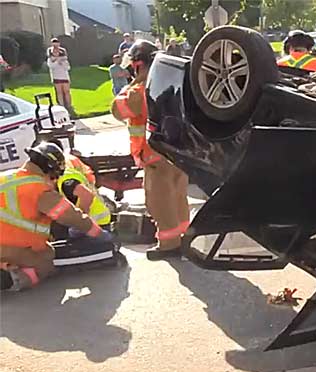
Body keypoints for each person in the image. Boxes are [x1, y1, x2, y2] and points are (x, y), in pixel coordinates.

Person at [111, 40, 190, 260]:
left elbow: (117, 110)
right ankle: (184, 237)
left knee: (159, 202)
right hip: (178, 153)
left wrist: (134, 82)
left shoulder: (138, 90)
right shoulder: (173, 83)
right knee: (178, 197)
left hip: (155, 156)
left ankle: (168, 245)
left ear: (138, 65)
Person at [0, 142, 113, 291]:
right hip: (8, 246)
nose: (54, 182)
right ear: (50, 171)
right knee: (46, 261)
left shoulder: (6, 177)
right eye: (54, 177)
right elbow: (72, 216)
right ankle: (8, 280)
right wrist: (97, 233)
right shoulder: (38, 189)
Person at [46, 38, 73, 114]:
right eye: (54, 51)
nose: (56, 52)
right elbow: (52, 66)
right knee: (59, 92)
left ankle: (69, 105)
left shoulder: (64, 59)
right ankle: (62, 106)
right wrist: (57, 61)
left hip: (64, 77)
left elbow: (67, 68)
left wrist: (62, 62)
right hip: (56, 77)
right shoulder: (50, 60)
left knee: (67, 91)